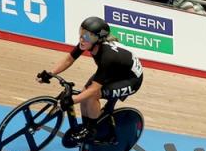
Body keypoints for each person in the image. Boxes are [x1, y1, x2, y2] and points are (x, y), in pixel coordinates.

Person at [37, 16, 144, 144]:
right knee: (84, 93)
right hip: (115, 72)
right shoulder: (88, 43)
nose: (82, 39)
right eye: (81, 33)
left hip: (131, 80)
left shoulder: (107, 56)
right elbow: (69, 59)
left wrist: (71, 101)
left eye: (86, 36)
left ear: (97, 39)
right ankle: (87, 126)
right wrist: (50, 73)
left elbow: (94, 90)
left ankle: (91, 131)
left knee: (92, 96)